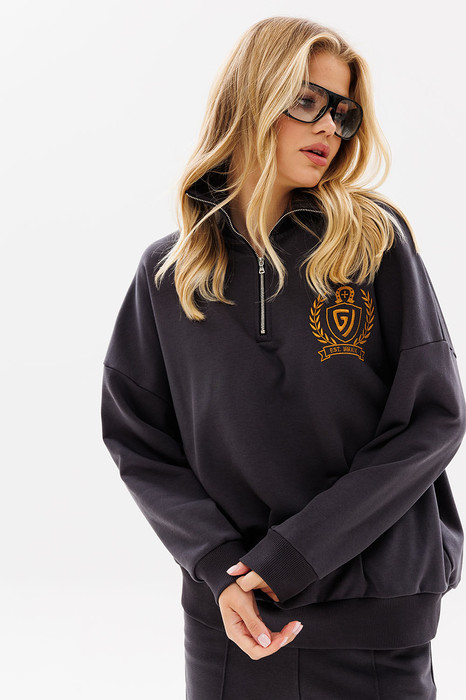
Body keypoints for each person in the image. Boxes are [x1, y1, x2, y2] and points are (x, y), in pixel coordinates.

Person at [100, 16, 466, 700]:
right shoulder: (169, 273)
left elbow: (432, 420)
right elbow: (139, 440)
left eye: (343, 113)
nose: (330, 127)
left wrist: (292, 556)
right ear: (253, 96)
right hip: (234, 619)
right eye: (308, 101)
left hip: (372, 609)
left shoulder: (371, 243)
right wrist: (222, 568)